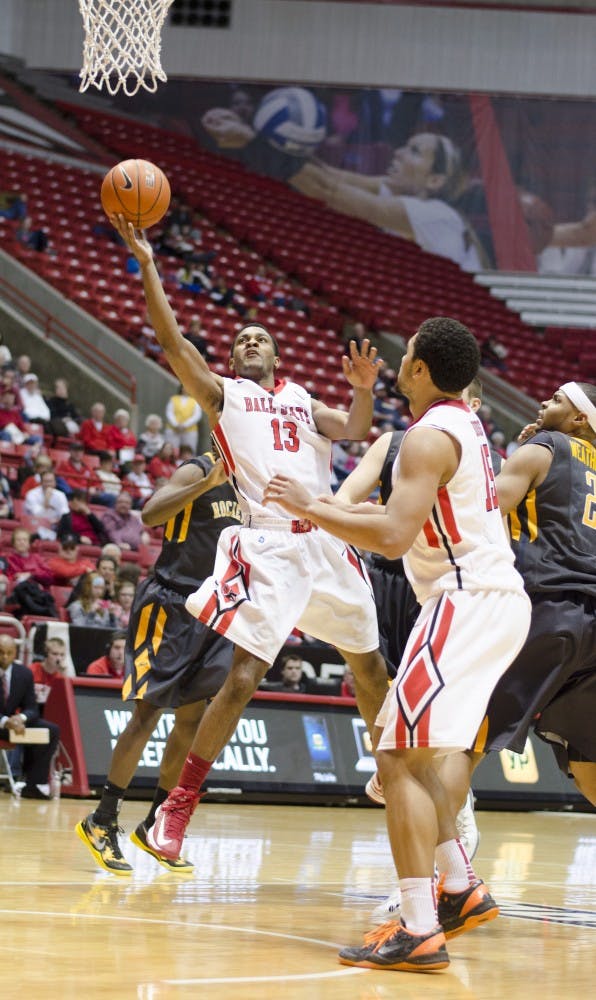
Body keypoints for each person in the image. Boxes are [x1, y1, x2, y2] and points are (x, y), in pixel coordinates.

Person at [111, 214, 390, 865]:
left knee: (370, 665)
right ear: (234, 359)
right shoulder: (224, 395)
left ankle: (386, 764)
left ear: (278, 355)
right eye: (243, 339)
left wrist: (363, 393)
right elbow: (171, 340)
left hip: (325, 536)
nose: (253, 342)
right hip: (268, 544)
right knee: (241, 678)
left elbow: (352, 428)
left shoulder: (300, 399)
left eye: (262, 337)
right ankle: (175, 812)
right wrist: (150, 265)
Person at [263, 317, 531, 972]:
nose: (398, 363)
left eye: (404, 356)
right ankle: (459, 888)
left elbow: (389, 538)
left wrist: (316, 507)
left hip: (464, 603)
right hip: (491, 603)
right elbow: (392, 521)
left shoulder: (425, 437)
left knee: (397, 760)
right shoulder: (463, 423)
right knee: (410, 755)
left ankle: (417, 926)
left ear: (417, 370)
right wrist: (320, 507)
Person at [336, 377, 496, 921]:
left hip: (442, 587)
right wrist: (320, 513)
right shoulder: (396, 443)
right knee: (393, 729)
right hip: (386, 578)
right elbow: (344, 502)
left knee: (425, 748)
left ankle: (439, 882)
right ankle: (447, 881)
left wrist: (322, 512)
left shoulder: (464, 452)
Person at [75, 453, 241, 875]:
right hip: (170, 603)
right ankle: (102, 820)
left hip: (211, 608)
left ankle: (153, 825)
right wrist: (205, 485)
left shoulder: (249, 479)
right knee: (146, 715)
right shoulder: (198, 470)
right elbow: (150, 513)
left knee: (191, 721)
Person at [473, 381, 596, 806]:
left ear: (580, 418)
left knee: (470, 730)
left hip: (548, 606)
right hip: (592, 624)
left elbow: (486, 514)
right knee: (587, 763)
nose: (544, 401)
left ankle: (449, 863)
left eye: (558, 400)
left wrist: (520, 458)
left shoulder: (543, 448)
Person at [290, 133, 484, 272]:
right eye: (405, 146)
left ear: (434, 180)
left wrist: (276, 156)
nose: (398, 152)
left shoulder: (435, 213)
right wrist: (295, 146)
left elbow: (329, 192)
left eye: (414, 151)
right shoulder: (400, 194)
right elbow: (333, 176)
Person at [0, 635, 60, 799]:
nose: (5, 657)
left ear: (15, 653)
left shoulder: (24, 673)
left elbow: (32, 708)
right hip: (3, 724)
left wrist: (22, 718)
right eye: (1, 652)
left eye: (9, 653)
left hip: (14, 723)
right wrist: (5, 722)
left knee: (52, 730)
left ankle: (34, 784)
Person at [23, 469, 69, 540]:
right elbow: (36, 515)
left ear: (55, 482)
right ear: (41, 482)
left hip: (55, 528)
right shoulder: (32, 494)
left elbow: (65, 515)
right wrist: (46, 501)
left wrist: (57, 521)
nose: (48, 484)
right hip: (35, 526)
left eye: (51, 481)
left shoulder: (61, 495)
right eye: (46, 481)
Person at [28, 636, 72, 707]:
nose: (59, 658)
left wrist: (64, 676)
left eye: (62, 655)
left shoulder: (61, 676)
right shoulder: (32, 670)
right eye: (55, 654)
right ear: (46, 654)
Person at [164, 385, 203, 454]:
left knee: (189, 450)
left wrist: (185, 425)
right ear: (181, 388)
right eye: (184, 387)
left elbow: (197, 415)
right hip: (173, 429)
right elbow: (169, 413)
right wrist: (176, 425)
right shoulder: (173, 399)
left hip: (190, 430)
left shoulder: (195, 400)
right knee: (172, 450)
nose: (186, 389)